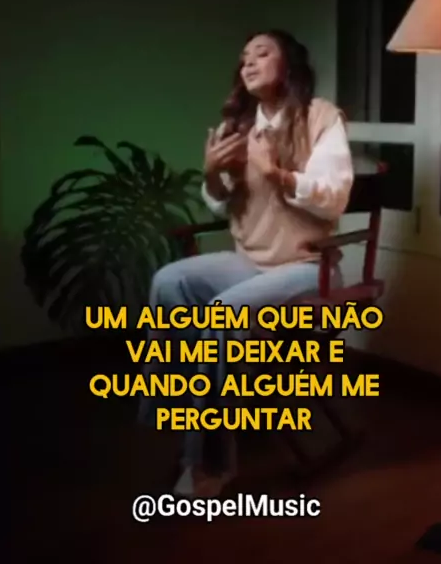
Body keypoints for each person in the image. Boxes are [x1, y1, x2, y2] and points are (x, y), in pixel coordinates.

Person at [138, 29, 354, 498]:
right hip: (249, 262)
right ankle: (183, 418)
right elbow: (219, 203)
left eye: (261, 53)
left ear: (288, 63)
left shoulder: (320, 117)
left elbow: (334, 198)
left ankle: (211, 464)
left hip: (306, 267)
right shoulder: (239, 126)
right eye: (243, 58)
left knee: (222, 315)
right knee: (168, 282)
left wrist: (275, 172)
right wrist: (213, 175)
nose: (248, 63)